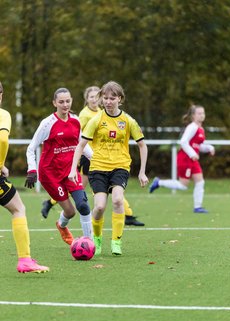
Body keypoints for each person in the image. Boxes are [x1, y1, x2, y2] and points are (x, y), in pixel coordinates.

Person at [41, 86, 145, 226]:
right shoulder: (85, 115)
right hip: (88, 156)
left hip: (102, 157)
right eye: (92, 97)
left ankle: (128, 214)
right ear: (87, 99)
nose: (95, 100)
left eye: (97, 97)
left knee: (111, 189)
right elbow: (77, 134)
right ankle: (51, 202)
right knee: (79, 187)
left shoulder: (104, 112)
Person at [68, 81, 148, 256]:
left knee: (118, 200)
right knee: (100, 207)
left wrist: (142, 171)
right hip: (98, 167)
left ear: (120, 99)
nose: (108, 101)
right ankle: (96, 239)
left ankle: (116, 241)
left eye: (112, 98)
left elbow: (142, 145)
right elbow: (81, 145)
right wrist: (73, 169)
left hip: (120, 166)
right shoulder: (96, 120)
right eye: (105, 98)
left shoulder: (128, 121)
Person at [25, 87, 93, 245]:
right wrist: (32, 169)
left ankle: (89, 243)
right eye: (61, 101)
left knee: (83, 205)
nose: (65, 104)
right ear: (54, 103)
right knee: (70, 212)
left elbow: (82, 145)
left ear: (71, 101)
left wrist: (98, 160)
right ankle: (62, 226)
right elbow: (31, 147)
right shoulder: (47, 123)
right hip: (50, 175)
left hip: (70, 171)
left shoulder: (75, 121)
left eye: (68, 101)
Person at [0, 81, 49, 273]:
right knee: (18, 209)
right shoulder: (3, 115)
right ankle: (25, 260)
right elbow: (2, 139)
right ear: (1, 95)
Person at [149, 104, 215, 213]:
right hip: (185, 159)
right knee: (183, 186)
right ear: (193, 116)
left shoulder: (201, 129)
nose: (202, 115)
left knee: (200, 182)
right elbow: (183, 142)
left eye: (203, 113)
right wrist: (192, 154)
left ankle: (198, 207)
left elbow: (198, 146)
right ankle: (159, 182)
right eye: (199, 113)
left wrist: (209, 148)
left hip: (193, 160)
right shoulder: (192, 127)